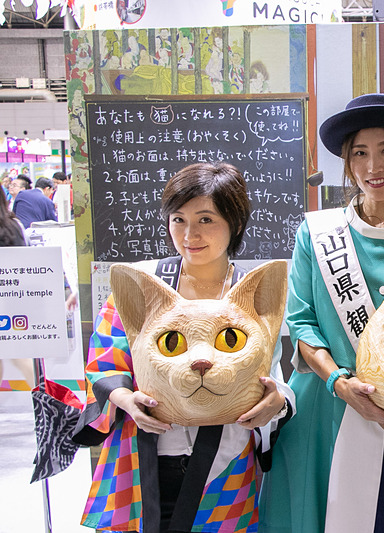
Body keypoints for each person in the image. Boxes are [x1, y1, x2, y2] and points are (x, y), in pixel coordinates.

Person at [259, 94, 384, 533]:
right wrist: (339, 381)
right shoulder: (315, 234)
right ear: (348, 163)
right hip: (321, 411)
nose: (375, 166)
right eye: (360, 153)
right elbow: (302, 322)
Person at [72, 162, 295, 533]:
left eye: (206, 219)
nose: (190, 234)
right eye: (178, 219)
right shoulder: (144, 285)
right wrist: (128, 402)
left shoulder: (251, 292)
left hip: (227, 458)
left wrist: (277, 401)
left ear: (235, 222)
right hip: (144, 452)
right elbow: (105, 361)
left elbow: (270, 374)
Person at [0, 192, 35, 388]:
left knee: (15, 355)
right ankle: (43, 401)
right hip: (14, 298)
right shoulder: (13, 225)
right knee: (18, 353)